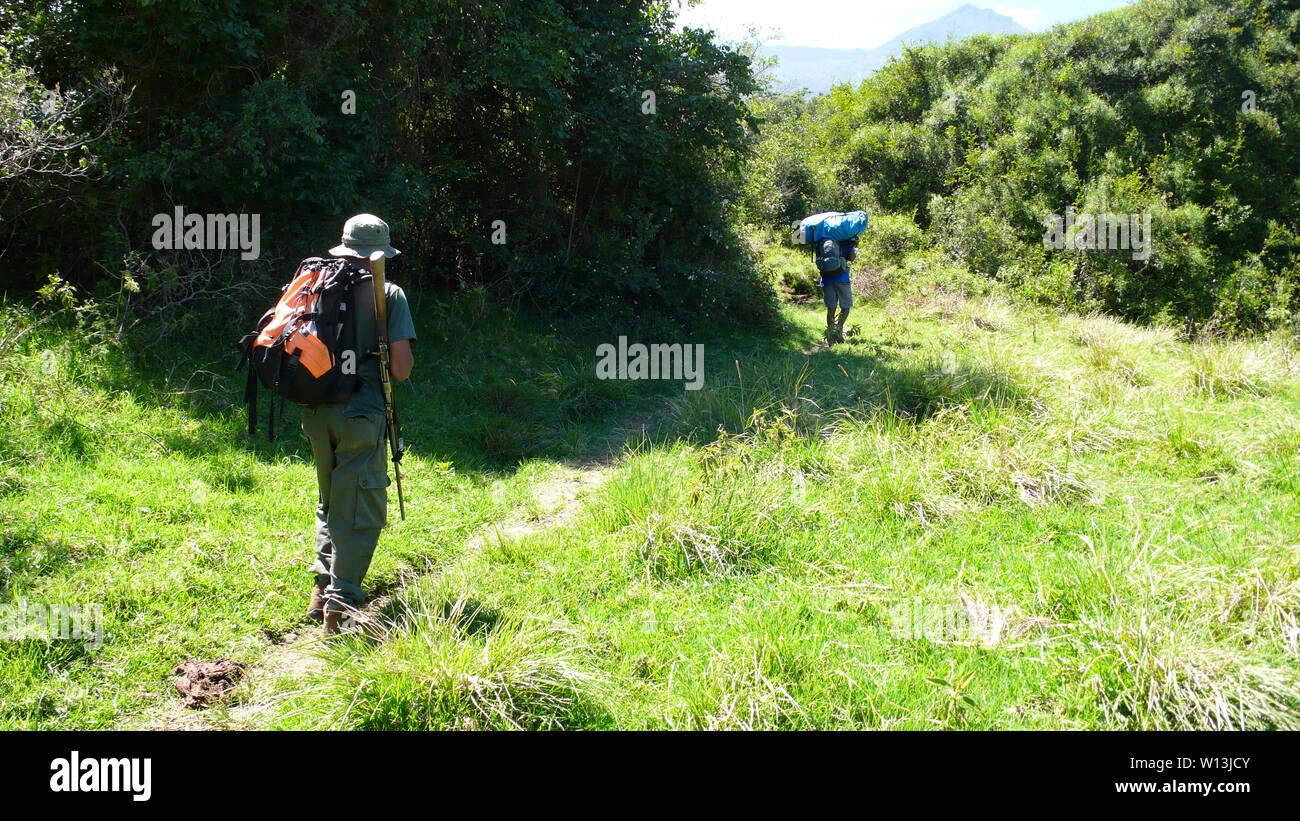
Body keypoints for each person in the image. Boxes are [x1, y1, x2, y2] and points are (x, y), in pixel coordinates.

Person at [302, 213, 417, 635]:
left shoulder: (316, 286)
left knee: (331, 498)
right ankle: (342, 602)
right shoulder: (389, 293)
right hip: (362, 414)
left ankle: (321, 589)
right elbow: (401, 369)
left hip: (316, 411)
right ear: (381, 253)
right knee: (362, 506)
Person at [819, 235, 857, 343]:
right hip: (842, 278)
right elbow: (852, 257)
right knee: (846, 307)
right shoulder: (846, 239)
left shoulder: (821, 241)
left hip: (827, 279)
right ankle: (839, 330)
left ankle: (831, 335)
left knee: (831, 308)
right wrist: (851, 246)